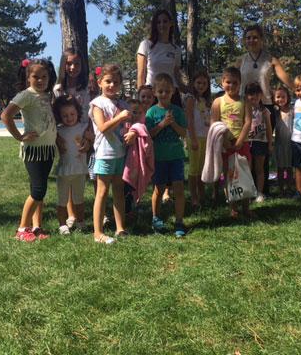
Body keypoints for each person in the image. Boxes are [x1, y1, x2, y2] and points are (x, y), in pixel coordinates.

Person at [1, 58, 58, 242]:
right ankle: (21, 229)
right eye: (36, 77)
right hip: (34, 151)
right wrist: (19, 136)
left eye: (44, 77)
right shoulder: (26, 95)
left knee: (40, 190)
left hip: (48, 150)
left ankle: (37, 227)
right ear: (28, 77)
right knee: (38, 190)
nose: (40, 80)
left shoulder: (47, 95)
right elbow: (6, 115)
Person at [236, 24, 294, 196]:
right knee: (246, 148)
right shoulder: (241, 60)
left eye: (255, 37)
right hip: (244, 107)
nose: (251, 40)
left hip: (264, 107)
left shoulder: (270, 59)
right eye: (248, 38)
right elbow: (231, 79)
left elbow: (284, 77)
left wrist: (297, 89)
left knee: (262, 149)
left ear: (261, 39)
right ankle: (246, 187)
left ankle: (262, 189)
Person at [88, 64, 136, 244]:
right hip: (104, 154)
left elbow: (130, 125)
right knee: (102, 192)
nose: (112, 85)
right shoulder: (97, 103)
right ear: (100, 82)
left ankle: (120, 228)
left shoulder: (123, 104)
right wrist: (120, 117)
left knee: (118, 191)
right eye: (108, 81)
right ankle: (98, 232)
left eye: (116, 82)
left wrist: (132, 132)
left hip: (120, 153)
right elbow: (102, 127)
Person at [54, 47, 94, 225]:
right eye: (68, 64)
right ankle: (70, 215)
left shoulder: (87, 87)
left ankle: (80, 214)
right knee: (68, 172)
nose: (72, 67)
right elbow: (54, 114)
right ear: (63, 65)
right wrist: (57, 138)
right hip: (65, 135)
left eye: (76, 63)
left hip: (84, 133)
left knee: (79, 173)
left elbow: (92, 113)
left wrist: (89, 136)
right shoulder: (58, 89)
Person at [145, 73, 188, 237]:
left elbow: (183, 133)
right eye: (160, 91)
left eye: (167, 91)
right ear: (155, 92)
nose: (164, 94)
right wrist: (162, 124)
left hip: (176, 156)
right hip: (159, 158)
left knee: (179, 189)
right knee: (158, 189)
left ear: (173, 92)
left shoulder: (177, 111)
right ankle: (156, 218)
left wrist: (173, 123)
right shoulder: (151, 112)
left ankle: (179, 221)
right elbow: (149, 135)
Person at [210, 67, 253, 219]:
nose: (231, 85)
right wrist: (225, 142)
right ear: (222, 82)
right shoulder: (217, 102)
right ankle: (233, 208)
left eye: (235, 83)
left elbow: (248, 122)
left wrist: (240, 141)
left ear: (240, 83)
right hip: (225, 145)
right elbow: (214, 123)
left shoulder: (245, 101)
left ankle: (246, 207)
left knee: (244, 174)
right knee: (229, 176)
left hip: (242, 143)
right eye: (228, 82)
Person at [53, 95, 91, 235]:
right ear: (59, 116)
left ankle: (80, 221)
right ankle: (62, 225)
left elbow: (92, 136)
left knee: (79, 199)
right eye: (65, 115)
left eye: (72, 114)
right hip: (64, 171)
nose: (69, 118)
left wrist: (89, 140)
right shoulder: (58, 131)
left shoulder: (83, 127)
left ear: (77, 112)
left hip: (80, 170)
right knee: (62, 200)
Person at [136, 10, 185, 105]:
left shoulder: (176, 49)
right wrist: (140, 96)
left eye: (165, 21)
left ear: (170, 23)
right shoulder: (146, 45)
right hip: (151, 93)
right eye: (158, 22)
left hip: (172, 93)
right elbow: (141, 74)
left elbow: (177, 75)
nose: (162, 24)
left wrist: (188, 91)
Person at [185, 71, 212, 211]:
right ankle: (194, 197)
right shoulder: (190, 98)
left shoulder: (206, 101)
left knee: (202, 168)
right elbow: (189, 119)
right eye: (198, 83)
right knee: (194, 168)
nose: (201, 86)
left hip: (205, 137)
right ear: (193, 83)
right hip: (194, 138)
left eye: (204, 83)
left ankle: (202, 195)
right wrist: (193, 138)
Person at [245, 82, 273, 203]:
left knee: (259, 169)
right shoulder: (244, 109)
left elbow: (269, 128)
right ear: (246, 96)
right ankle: (248, 193)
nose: (254, 96)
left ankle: (259, 192)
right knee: (248, 169)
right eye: (251, 94)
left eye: (257, 94)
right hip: (247, 142)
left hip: (261, 142)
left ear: (261, 95)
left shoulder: (265, 111)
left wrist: (270, 143)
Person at [273, 86, 294, 198]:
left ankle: (289, 189)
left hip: (290, 143)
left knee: (289, 168)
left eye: (283, 97)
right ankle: (281, 190)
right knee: (280, 168)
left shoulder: (292, 110)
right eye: (278, 97)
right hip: (279, 144)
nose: (280, 99)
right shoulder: (275, 112)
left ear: (287, 97)